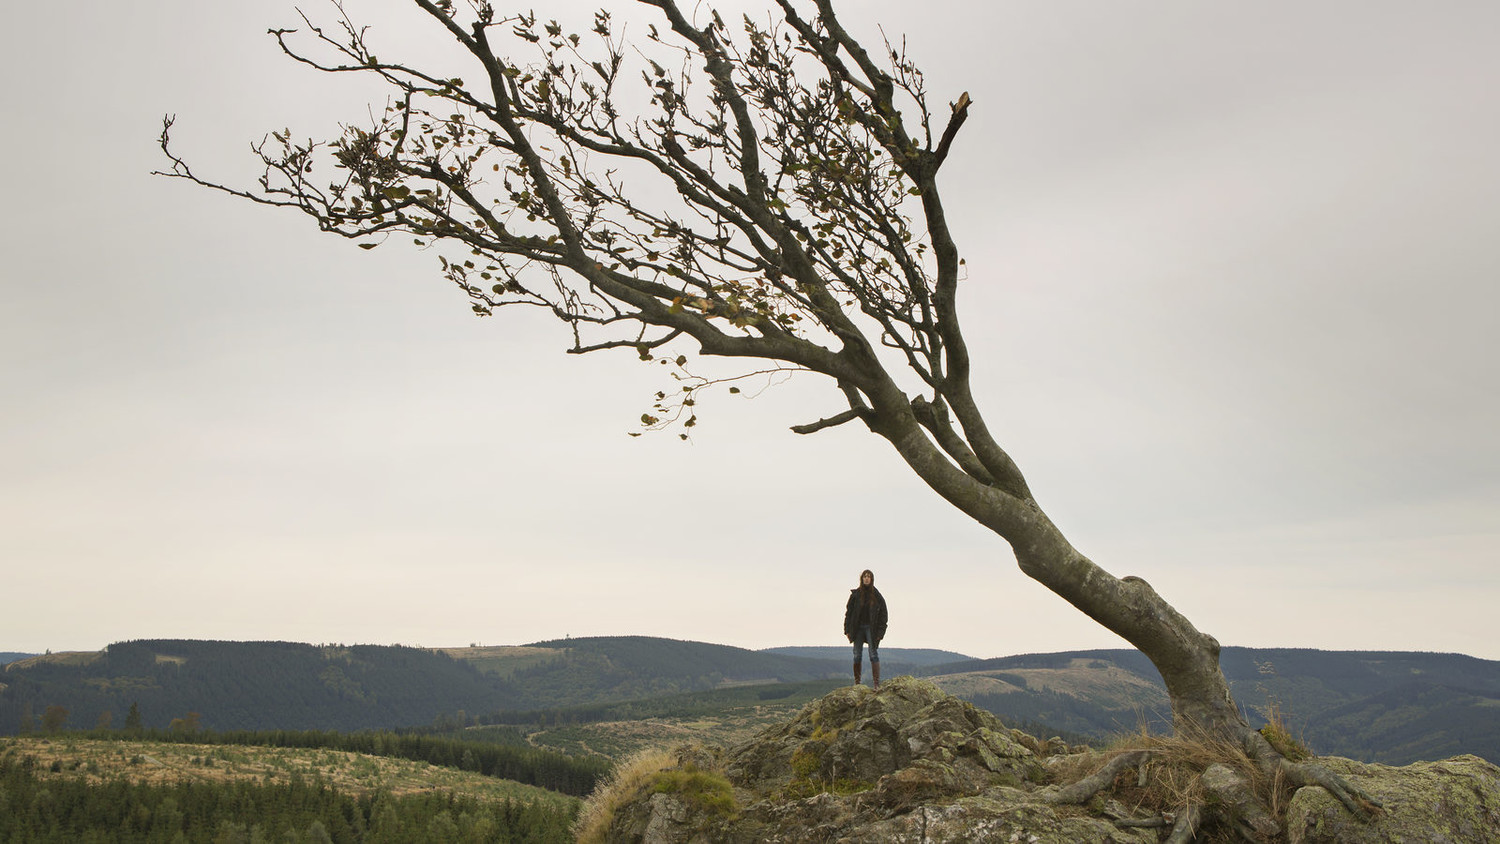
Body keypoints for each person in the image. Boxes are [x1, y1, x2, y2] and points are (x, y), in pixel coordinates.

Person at [843, 569, 888, 689]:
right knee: (857, 655)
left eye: (869, 576)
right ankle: (857, 683)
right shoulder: (855, 595)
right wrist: (847, 630)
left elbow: (884, 615)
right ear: (862, 579)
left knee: (873, 654)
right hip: (857, 628)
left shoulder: (877, 595)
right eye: (865, 576)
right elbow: (849, 613)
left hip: (871, 629)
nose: (866, 578)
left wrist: (880, 633)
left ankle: (876, 684)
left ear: (871, 579)